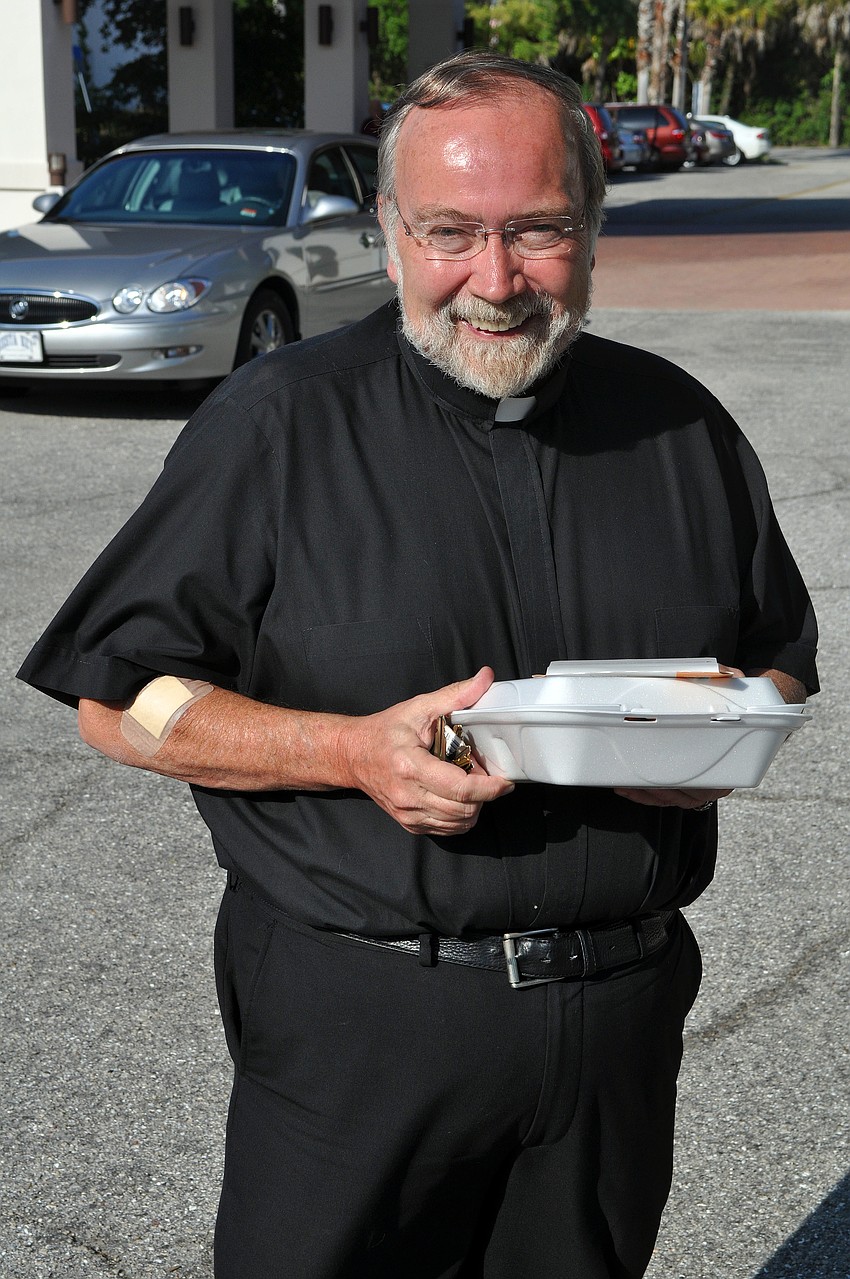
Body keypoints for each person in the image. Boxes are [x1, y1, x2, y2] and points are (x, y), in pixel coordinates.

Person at [18, 50, 817, 1279]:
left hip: (616, 1023)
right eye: (450, 232)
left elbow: (777, 659)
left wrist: (717, 737)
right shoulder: (278, 423)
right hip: (362, 1024)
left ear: (593, 229)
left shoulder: (681, 427)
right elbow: (118, 699)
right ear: (390, 233)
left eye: (537, 230)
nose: (493, 280)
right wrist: (346, 751)